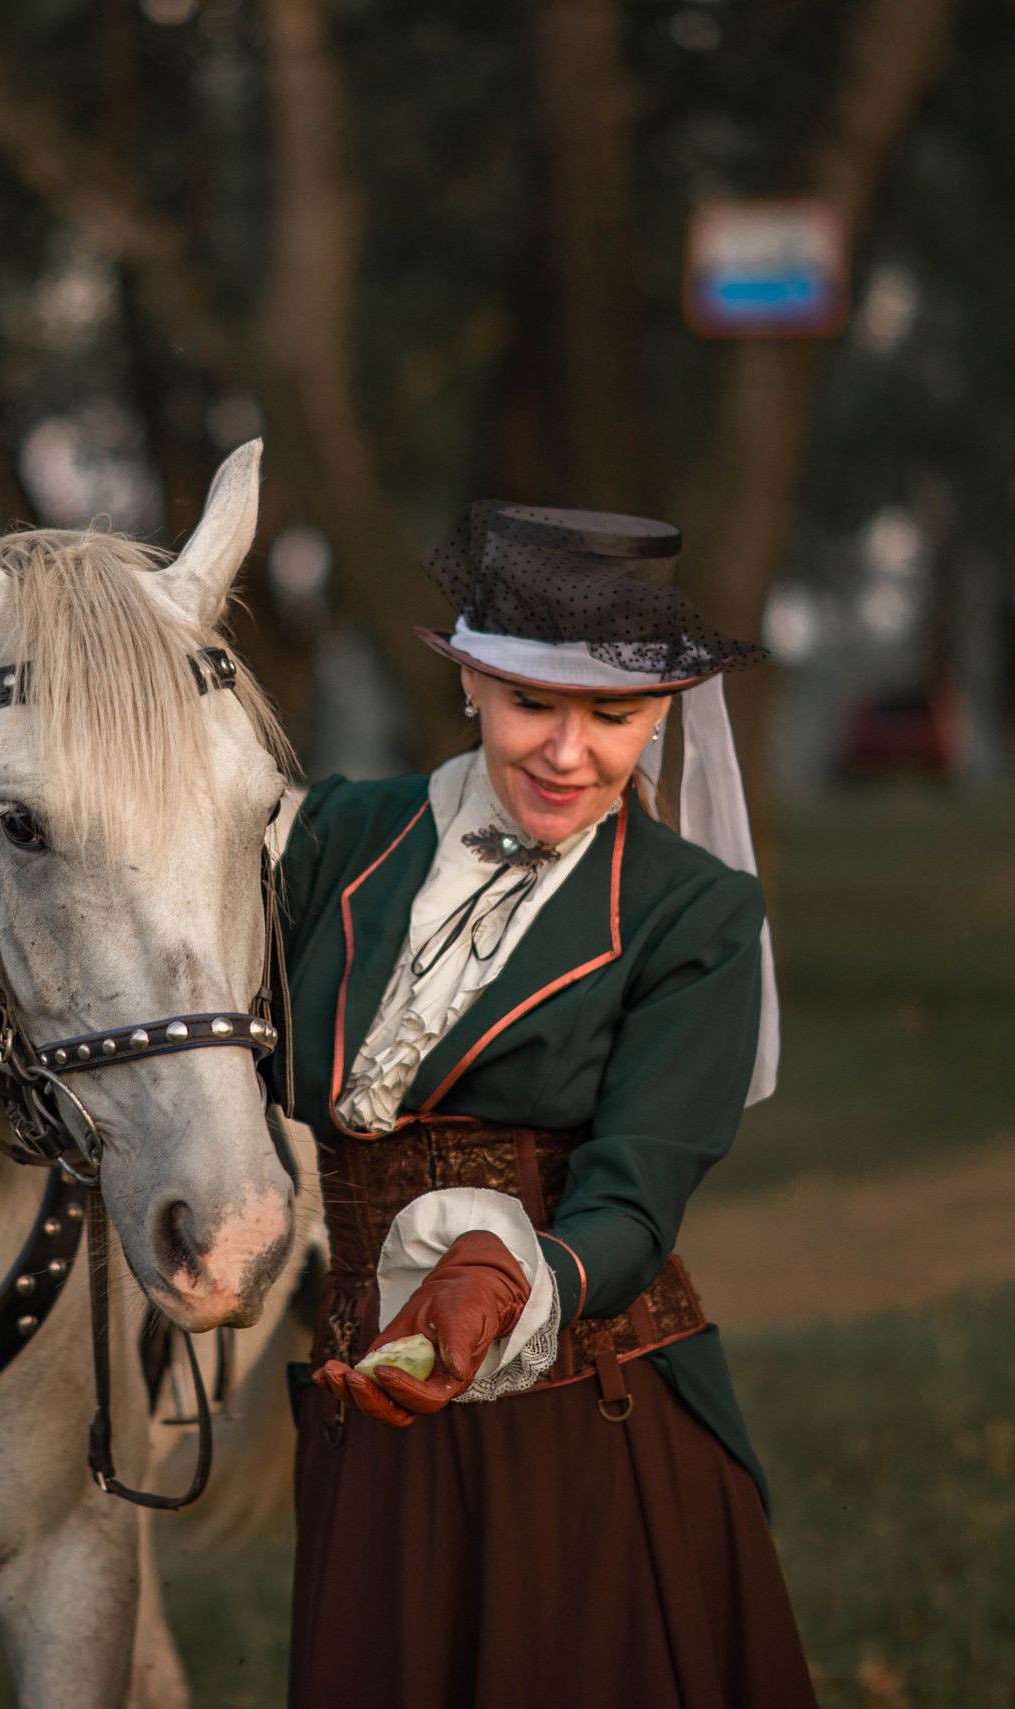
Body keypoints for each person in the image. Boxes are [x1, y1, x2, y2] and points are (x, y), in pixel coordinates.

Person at [276, 502, 817, 1708]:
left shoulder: (696, 913)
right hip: (364, 1408)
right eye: (533, 705)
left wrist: (516, 1280)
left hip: (581, 1415)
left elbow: (638, 1194)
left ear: (661, 714)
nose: (568, 753)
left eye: (613, 717)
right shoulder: (331, 838)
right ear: (469, 679)